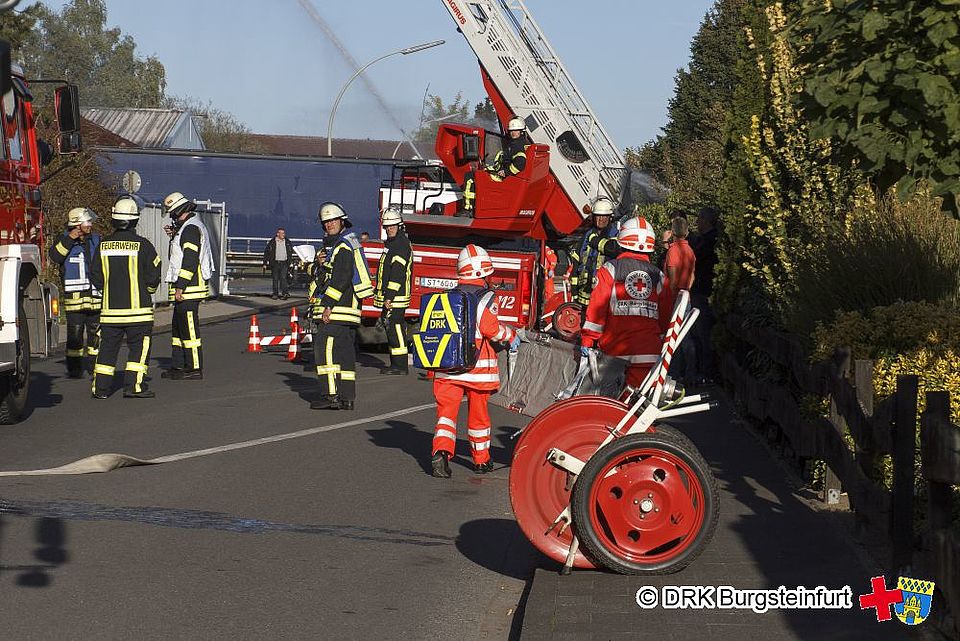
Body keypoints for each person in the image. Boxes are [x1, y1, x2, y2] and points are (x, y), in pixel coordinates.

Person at [430, 244, 520, 478]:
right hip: (477, 370)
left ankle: (441, 451)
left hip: (447, 367)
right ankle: (481, 460)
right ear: (482, 273)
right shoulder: (486, 297)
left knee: (446, 416)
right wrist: (511, 335)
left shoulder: (449, 296)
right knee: (478, 417)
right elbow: (490, 329)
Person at [580, 217, 674, 391]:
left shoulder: (610, 269)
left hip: (614, 351)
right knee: (636, 407)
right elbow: (666, 314)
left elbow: (597, 309)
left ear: (622, 241)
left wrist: (588, 339)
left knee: (606, 405)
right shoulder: (658, 276)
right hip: (648, 352)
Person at [89, 197, 161, 399]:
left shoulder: (103, 246)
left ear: (114, 220)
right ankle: (134, 387)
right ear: (135, 221)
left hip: (111, 313)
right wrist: (147, 289)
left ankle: (100, 389)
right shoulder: (143, 245)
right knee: (138, 349)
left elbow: (94, 274)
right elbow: (154, 274)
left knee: (107, 350)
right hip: (138, 313)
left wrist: (109, 290)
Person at [310, 202, 373, 410]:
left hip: (338, 309)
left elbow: (341, 278)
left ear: (342, 221)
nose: (329, 225)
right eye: (326, 222)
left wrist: (327, 305)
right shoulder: (345, 244)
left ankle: (330, 395)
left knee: (323, 346)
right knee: (345, 352)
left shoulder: (343, 247)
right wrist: (319, 265)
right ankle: (347, 397)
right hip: (349, 309)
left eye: (333, 221)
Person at [161, 192, 214, 381]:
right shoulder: (187, 228)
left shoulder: (191, 229)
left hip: (189, 289)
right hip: (186, 288)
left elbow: (190, 261)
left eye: (173, 214)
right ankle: (178, 365)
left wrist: (180, 286)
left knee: (189, 330)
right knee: (178, 329)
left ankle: (194, 368)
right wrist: (175, 234)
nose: (171, 217)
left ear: (179, 212)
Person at [48, 207, 101, 378]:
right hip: (75, 299)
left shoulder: (95, 240)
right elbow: (55, 257)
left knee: (96, 335)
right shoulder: (63, 240)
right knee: (75, 336)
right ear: (78, 224)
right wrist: (71, 239)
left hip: (95, 297)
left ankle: (96, 367)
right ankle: (74, 368)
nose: (90, 224)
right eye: (87, 221)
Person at [372, 206, 413, 375]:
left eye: (392, 226)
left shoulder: (400, 245)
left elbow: (397, 274)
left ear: (400, 226)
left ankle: (400, 366)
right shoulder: (393, 244)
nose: (389, 229)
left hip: (396, 297)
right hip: (393, 296)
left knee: (395, 328)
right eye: (387, 227)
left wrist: (389, 297)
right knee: (391, 329)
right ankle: (396, 364)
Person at [462, 116, 529, 212]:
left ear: (521, 132)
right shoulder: (516, 143)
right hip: (504, 174)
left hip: (504, 177)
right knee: (479, 173)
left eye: (516, 131)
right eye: (511, 131)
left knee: (470, 177)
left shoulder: (517, 146)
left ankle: (467, 208)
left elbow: (520, 163)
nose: (513, 133)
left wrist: (506, 172)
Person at [569, 196, 620, 306]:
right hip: (584, 296)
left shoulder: (615, 235)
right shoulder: (586, 235)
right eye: (597, 216)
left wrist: (594, 240)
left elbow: (613, 250)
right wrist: (574, 288)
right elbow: (577, 261)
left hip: (605, 295)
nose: (600, 219)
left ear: (610, 217)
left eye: (604, 216)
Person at [664, 216, 697, 383]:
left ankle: (675, 374)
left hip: (675, 298)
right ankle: (687, 372)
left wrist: (672, 295)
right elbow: (691, 276)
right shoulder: (689, 250)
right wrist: (687, 290)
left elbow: (672, 278)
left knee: (675, 337)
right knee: (685, 334)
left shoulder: (673, 251)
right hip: (686, 296)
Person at [689, 207, 720, 384]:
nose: (697, 222)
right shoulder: (704, 240)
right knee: (699, 335)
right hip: (699, 291)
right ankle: (703, 371)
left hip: (703, 292)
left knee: (703, 335)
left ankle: (706, 373)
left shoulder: (709, 241)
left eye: (700, 218)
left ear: (707, 220)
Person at [263, 227, 294, 300]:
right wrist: (265, 263)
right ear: (278, 234)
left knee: (283, 278)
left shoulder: (287, 242)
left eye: (284, 233)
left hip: (284, 262)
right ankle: (275, 294)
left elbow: (290, 251)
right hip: (275, 263)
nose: (283, 234)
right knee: (275, 279)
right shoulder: (272, 242)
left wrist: (289, 261)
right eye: (282, 233)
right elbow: (266, 252)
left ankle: (285, 293)